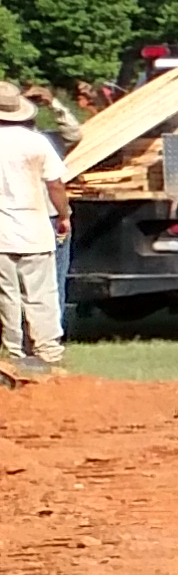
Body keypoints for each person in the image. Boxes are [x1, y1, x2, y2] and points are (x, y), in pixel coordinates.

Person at [0, 80, 63, 382]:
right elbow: (55, 184)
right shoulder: (36, 142)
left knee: (7, 297)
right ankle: (48, 351)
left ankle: (12, 354)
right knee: (41, 295)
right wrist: (64, 214)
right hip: (35, 228)